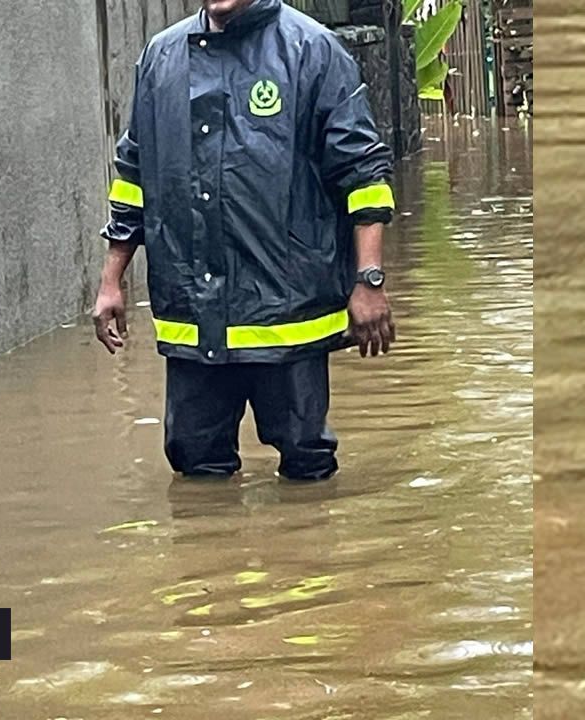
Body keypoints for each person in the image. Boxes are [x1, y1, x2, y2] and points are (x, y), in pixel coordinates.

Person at [92, 0, 396, 481]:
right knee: (195, 468)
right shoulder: (161, 58)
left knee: (307, 465)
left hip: (289, 319)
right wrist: (111, 279)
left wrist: (370, 280)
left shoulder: (312, 50)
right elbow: (134, 175)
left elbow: (362, 174)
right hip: (191, 321)